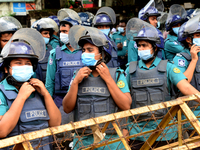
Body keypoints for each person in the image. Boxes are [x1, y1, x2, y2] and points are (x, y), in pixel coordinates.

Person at [125, 18, 200, 150]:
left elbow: (186, 87)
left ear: (154, 47)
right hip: (138, 134)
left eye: (145, 45)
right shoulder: (129, 70)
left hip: (167, 133)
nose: (141, 49)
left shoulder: (168, 67)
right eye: (139, 46)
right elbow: (122, 100)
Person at [62, 25, 131, 150]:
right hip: (83, 141)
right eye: (83, 50)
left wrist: (108, 79)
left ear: (102, 54)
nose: (85, 54)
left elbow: (126, 105)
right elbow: (67, 108)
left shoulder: (117, 75)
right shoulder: (77, 76)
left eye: (90, 50)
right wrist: (75, 82)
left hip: (111, 141)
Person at [0, 28, 61, 150]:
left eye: (28, 63)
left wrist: (46, 94)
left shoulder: (37, 89)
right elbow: (2, 131)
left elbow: (56, 124)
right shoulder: (2, 92)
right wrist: (21, 97)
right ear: (6, 68)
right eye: (18, 63)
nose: (24, 66)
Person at [173, 15, 200, 139]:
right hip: (190, 116)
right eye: (198, 36)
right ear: (189, 40)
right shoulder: (181, 58)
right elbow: (184, 82)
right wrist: (194, 60)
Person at [31, 18, 58, 83]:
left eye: (49, 34)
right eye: (45, 33)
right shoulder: (30, 50)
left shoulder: (51, 50)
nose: (48, 36)